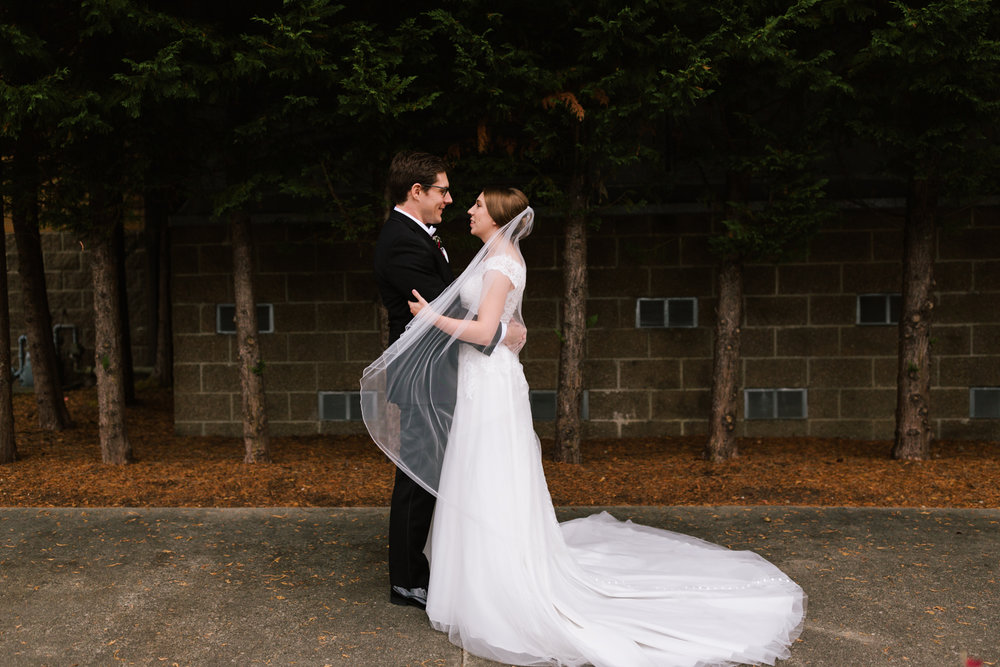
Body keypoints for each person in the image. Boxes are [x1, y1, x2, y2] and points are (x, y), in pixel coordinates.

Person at [364, 188, 806, 666]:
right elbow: (508, 324)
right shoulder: (493, 255)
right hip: (480, 378)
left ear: (497, 216)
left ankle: (497, 580)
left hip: (487, 383)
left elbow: (488, 329)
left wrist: (433, 317)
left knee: (490, 475)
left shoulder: (501, 261)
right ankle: (473, 572)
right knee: (479, 475)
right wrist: (515, 332)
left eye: (476, 205)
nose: (466, 209)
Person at [370, 152, 524, 610]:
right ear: (416, 192)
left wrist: (499, 324)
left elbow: (452, 304)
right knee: (418, 475)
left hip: (441, 369)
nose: (450, 200)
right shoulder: (401, 241)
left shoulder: (418, 236)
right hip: (423, 373)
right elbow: (445, 306)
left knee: (435, 471)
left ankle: (433, 568)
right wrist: (500, 330)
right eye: (442, 190)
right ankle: (407, 580)